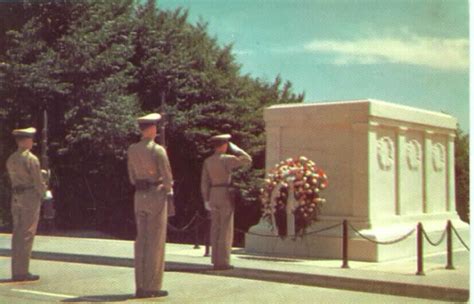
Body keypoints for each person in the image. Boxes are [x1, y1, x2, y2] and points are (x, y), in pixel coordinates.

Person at [127, 113, 173, 299]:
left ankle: (140, 284)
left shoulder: (132, 149)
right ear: (152, 129)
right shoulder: (158, 150)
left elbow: (131, 175)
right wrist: (167, 189)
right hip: (155, 194)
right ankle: (152, 286)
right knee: (155, 241)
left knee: (142, 241)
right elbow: (168, 177)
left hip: (139, 195)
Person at [201, 134, 252, 270]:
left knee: (215, 227)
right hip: (224, 193)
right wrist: (237, 150)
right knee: (225, 228)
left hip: (213, 194)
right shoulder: (227, 159)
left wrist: (206, 199)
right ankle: (223, 261)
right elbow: (247, 160)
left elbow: (204, 182)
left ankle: (215, 259)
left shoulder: (208, 161)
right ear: (224, 145)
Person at [6, 127, 46, 282]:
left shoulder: (11, 158)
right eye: (30, 139)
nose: (32, 142)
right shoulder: (31, 159)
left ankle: (16, 270)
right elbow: (37, 182)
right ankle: (22, 271)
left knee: (17, 233)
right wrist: (44, 194)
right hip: (29, 196)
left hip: (16, 196)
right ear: (24, 140)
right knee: (27, 233)